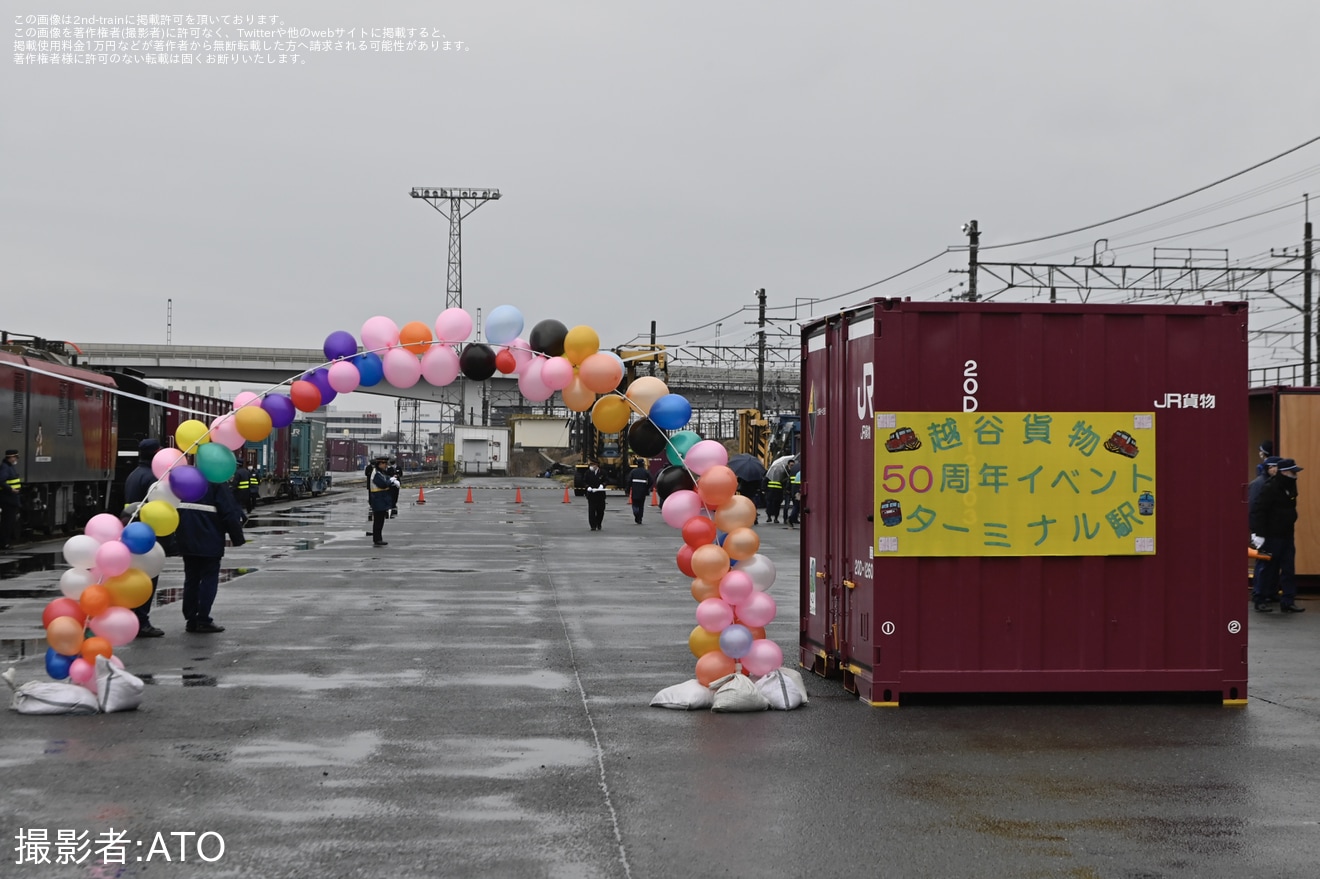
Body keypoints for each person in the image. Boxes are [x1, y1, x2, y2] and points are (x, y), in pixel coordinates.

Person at [174, 472, 246, 633]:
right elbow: (228, 512)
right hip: (209, 538)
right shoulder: (216, 482)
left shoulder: (187, 479)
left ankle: (191, 618)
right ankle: (203, 618)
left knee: (191, 579)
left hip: (187, 538)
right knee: (209, 578)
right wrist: (237, 538)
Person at [122, 439, 167, 637]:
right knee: (148, 579)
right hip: (147, 534)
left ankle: (133, 619)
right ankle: (142, 621)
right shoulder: (152, 478)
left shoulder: (133, 475)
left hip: (132, 532)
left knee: (134, 578)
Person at [1249, 457, 1306, 614]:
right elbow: (1259, 511)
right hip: (1270, 536)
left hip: (1287, 535)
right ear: (1284, 472)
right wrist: (1258, 533)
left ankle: (1288, 601)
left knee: (1288, 569)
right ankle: (1260, 599)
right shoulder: (1270, 487)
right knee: (1266, 568)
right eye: (1293, 472)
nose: (1296, 475)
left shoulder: (1290, 486)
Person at [368, 455, 399, 546]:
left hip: (381, 499)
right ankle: (377, 539)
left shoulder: (380, 472)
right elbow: (383, 484)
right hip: (378, 499)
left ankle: (379, 538)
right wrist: (391, 481)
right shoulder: (376, 473)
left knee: (380, 520)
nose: (386, 465)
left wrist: (391, 480)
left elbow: (386, 479)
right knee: (378, 521)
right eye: (384, 463)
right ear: (380, 464)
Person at [764, 454, 796, 524]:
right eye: (791, 465)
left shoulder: (786, 472)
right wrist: (764, 490)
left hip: (779, 492)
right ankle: (769, 516)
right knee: (769, 505)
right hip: (770, 492)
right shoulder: (770, 473)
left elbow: (784, 483)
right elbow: (765, 481)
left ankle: (776, 518)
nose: (792, 466)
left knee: (777, 505)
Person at [1, 448, 21, 551]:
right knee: (7, 522)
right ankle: (5, 543)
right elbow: (1, 481)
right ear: (10, 457)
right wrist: (11, 489)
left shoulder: (9, 467)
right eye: (15, 457)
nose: (16, 459)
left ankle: (6, 542)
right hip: (8, 499)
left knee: (9, 522)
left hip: (11, 499)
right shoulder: (5, 468)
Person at [584, 459, 607, 531]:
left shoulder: (602, 472)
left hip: (600, 495)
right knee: (591, 511)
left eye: (593, 465)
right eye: (591, 465)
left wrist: (602, 485)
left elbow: (606, 480)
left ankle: (598, 523)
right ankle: (593, 525)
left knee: (600, 511)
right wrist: (587, 487)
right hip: (591, 495)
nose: (592, 466)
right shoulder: (588, 473)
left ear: (597, 465)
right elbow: (584, 481)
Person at [627, 459, 653, 524]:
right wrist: (647, 487)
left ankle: (636, 513)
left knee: (635, 504)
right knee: (641, 505)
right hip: (643, 491)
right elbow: (651, 480)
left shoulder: (633, 471)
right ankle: (640, 518)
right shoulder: (646, 472)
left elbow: (629, 481)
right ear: (643, 464)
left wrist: (627, 489)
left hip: (635, 490)